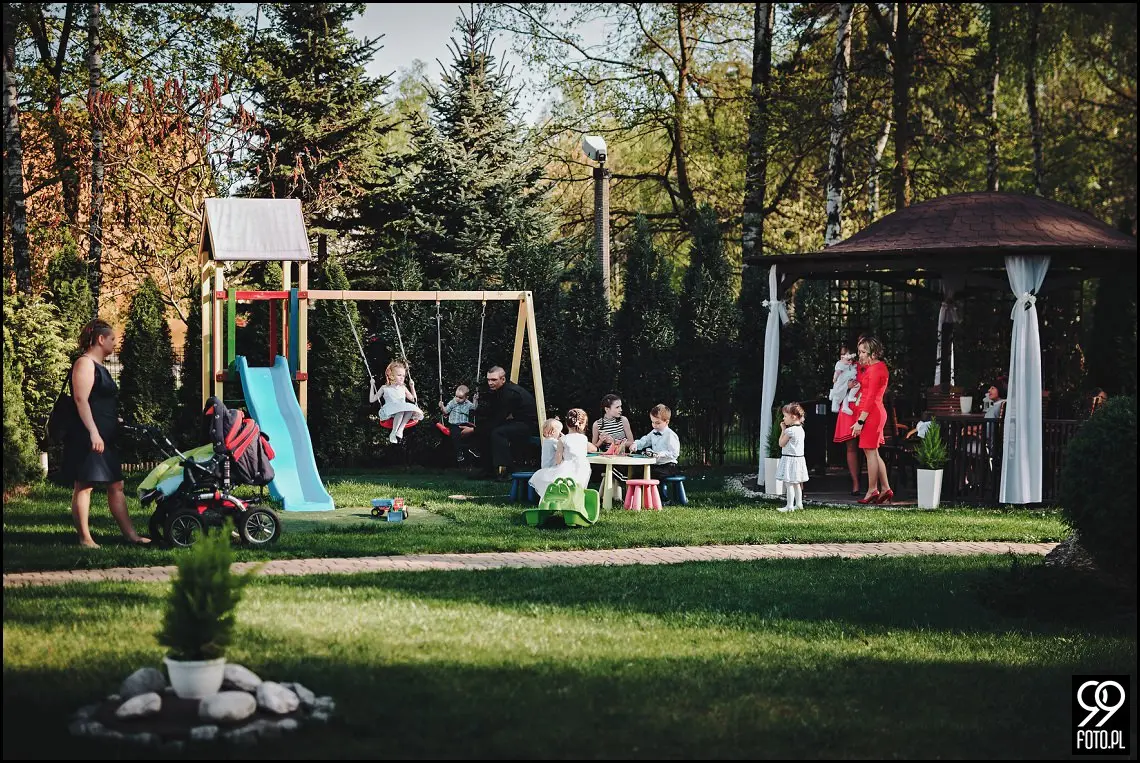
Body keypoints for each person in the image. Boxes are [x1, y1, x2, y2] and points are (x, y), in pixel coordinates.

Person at [62, 319, 151, 548]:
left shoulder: (100, 367)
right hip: (90, 436)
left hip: (106, 436)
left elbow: (100, 401)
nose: (115, 344)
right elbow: (81, 401)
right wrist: (93, 432)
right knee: (85, 484)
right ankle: (85, 538)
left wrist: (114, 420)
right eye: (112, 339)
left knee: (117, 485)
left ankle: (131, 535)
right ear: (101, 339)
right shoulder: (84, 364)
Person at [471, 366, 538, 481]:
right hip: (516, 421)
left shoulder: (509, 393)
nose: (490, 383)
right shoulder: (500, 391)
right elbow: (493, 413)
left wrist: (474, 430)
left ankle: (506, 471)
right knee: (488, 431)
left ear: (503, 379)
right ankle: (488, 470)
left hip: (527, 425)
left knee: (498, 432)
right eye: (488, 380)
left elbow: (498, 419)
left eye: (494, 380)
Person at [850, 335, 893, 505]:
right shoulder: (872, 368)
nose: (859, 355)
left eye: (863, 352)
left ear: (873, 353)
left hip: (872, 414)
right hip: (871, 413)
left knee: (870, 453)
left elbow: (871, 398)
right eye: (859, 351)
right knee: (873, 452)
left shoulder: (877, 369)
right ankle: (885, 489)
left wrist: (860, 421)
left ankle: (872, 490)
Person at [529, 408, 594, 501]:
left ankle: (556, 498)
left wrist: (562, 460)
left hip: (567, 467)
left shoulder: (562, 440)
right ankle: (577, 500)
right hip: (583, 467)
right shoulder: (584, 438)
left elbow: (558, 459)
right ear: (582, 425)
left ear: (567, 424)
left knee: (550, 478)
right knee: (578, 485)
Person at [833, 335, 867, 496]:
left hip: (863, 407)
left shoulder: (865, 367)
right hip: (848, 408)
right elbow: (835, 390)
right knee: (851, 446)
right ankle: (855, 482)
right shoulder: (841, 368)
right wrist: (845, 385)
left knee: (869, 446)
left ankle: (874, 482)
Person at [370, 360, 424, 444]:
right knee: (401, 410)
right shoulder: (385, 388)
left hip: (401, 409)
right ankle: (393, 432)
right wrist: (372, 385)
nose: (402, 377)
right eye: (399, 375)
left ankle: (400, 430)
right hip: (389, 411)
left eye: (403, 375)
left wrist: (412, 387)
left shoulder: (403, 388)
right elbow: (372, 399)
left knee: (409, 409)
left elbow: (414, 400)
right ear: (391, 376)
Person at [622, 403, 681, 478]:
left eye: (657, 423)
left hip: (669, 466)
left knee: (649, 475)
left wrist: (660, 454)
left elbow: (674, 453)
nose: (654, 425)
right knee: (637, 475)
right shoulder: (653, 432)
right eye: (652, 422)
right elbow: (645, 440)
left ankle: (655, 489)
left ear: (666, 422)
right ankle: (641, 489)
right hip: (656, 465)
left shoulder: (670, 435)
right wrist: (636, 444)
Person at [775, 402, 809, 512]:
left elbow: (781, 443)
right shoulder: (800, 430)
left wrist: (783, 430)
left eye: (785, 416)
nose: (784, 419)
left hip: (789, 459)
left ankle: (789, 505)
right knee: (796, 483)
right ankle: (799, 504)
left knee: (788, 483)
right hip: (798, 459)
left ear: (793, 417)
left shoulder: (789, 431)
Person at [438, 384, 478, 463]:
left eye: (460, 397)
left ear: (466, 398)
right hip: (454, 424)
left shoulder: (468, 403)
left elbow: (474, 407)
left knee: (475, 431)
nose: (457, 399)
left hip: (465, 423)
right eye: (456, 396)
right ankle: (459, 453)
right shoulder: (453, 402)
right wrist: (442, 406)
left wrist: (475, 400)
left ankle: (473, 448)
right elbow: (446, 411)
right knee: (455, 436)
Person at [829, 346, 860, 416]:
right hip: (841, 383)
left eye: (852, 360)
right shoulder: (840, 364)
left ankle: (845, 406)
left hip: (847, 383)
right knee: (838, 396)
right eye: (848, 360)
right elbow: (837, 372)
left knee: (847, 394)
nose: (850, 361)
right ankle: (835, 405)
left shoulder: (850, 365)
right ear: (842, 358)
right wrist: (835, 378)